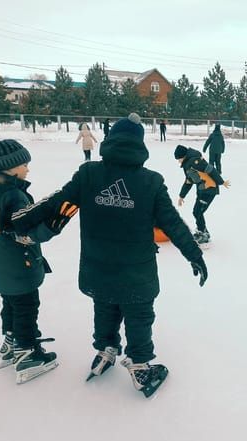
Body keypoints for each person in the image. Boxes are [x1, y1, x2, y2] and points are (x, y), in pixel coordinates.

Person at [11, 114, 207, 397]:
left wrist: (18, 222)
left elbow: (55, 203)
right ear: (139, 145)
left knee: (105, 307)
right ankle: (140, 366)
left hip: (97, 265)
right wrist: (194, 254)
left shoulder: (89, 174)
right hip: (136, 271)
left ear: (111, 141)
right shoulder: (150, 182)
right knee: (138, 314)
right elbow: (172, 223)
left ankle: (105, 350)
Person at [0, 139, 60, 384]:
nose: (28, 169)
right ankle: (27, 352)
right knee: (27, 306)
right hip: (19, 265)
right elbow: (26, 231)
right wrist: (52, 222)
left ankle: (11, 342)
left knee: (10, 303)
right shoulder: (13, 195)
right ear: (12, 166)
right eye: (24, 164)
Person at [174, 144, 230, 245]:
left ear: (183, 156)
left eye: (179, 159)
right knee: (197, 211)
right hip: (202, 190)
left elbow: (210, 169)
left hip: (209, 189)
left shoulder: (194, 162)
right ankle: (202, 231)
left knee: (197, 212)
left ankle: (204, 234)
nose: (178, 161)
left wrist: (221, 182)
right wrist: (181, 196)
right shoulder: (188, 164)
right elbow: (189, 181)